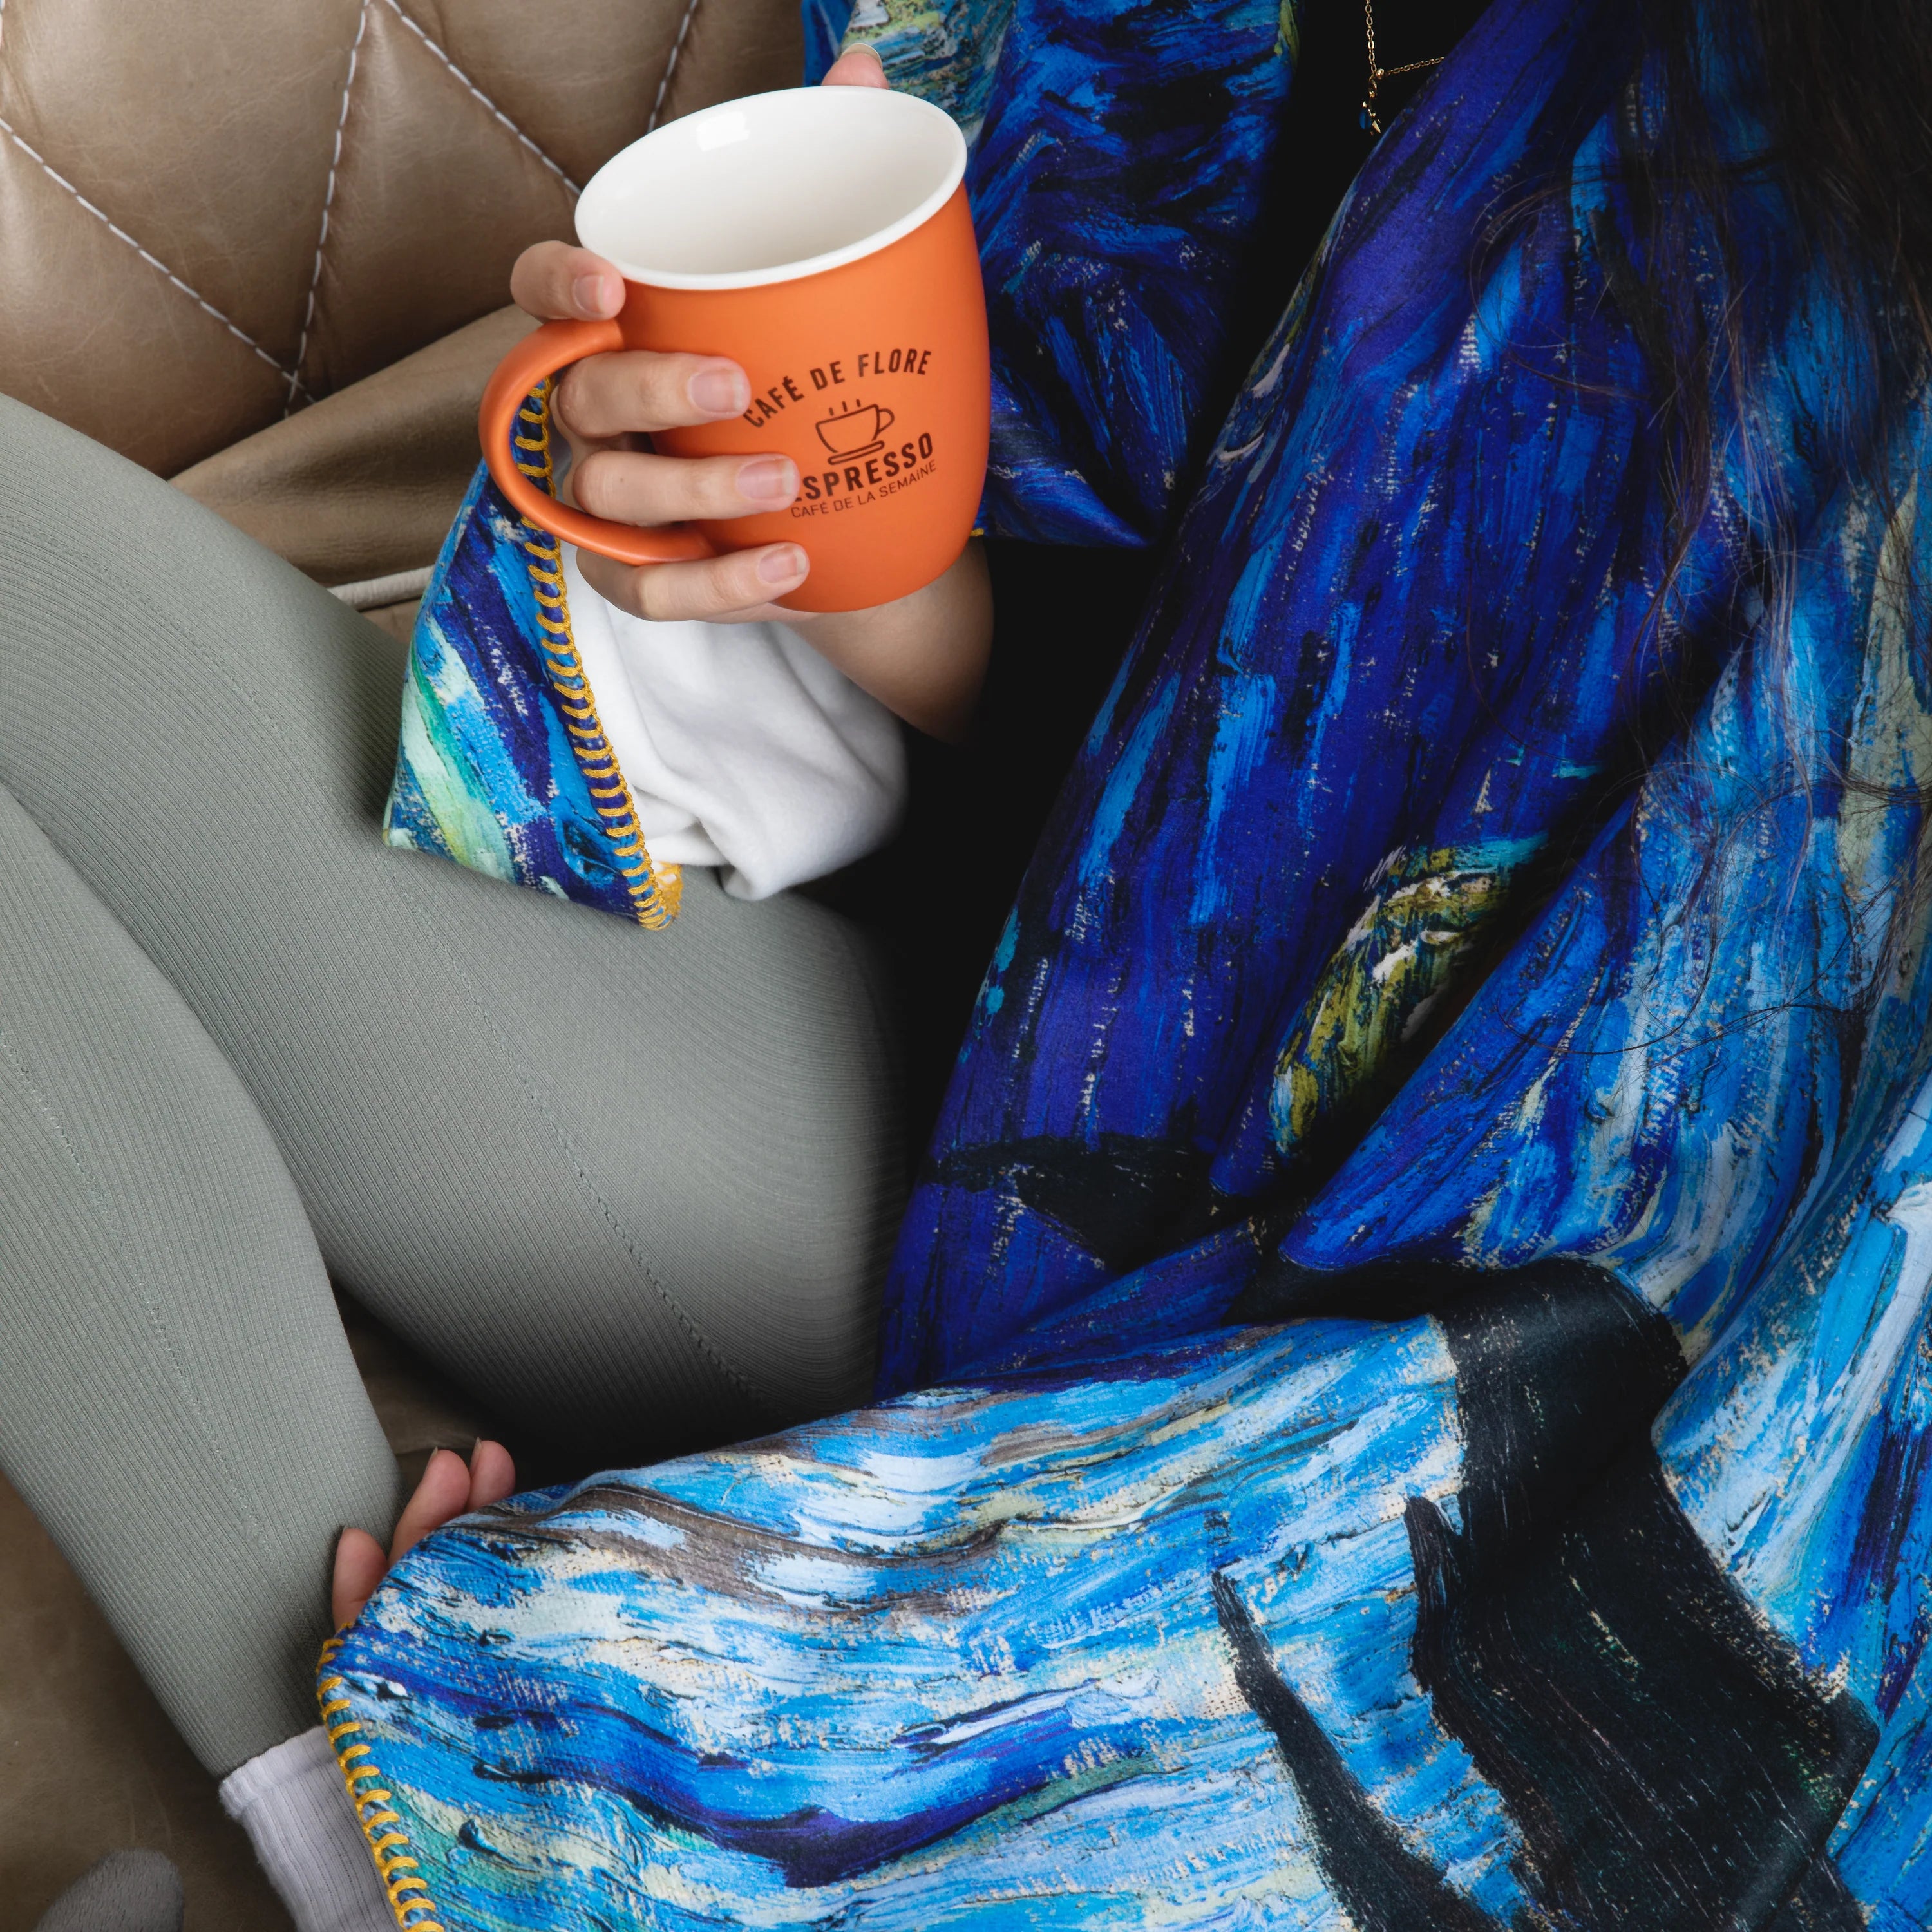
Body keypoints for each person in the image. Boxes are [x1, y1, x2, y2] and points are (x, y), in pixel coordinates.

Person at [7, 0, 1931, 1927]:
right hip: (994, 1094)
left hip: (1399, 1368)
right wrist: (841, 568)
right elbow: (1176, 757)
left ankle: (368, 1861)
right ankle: (361, 1840)